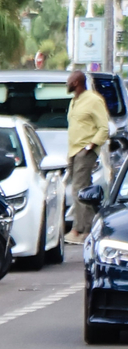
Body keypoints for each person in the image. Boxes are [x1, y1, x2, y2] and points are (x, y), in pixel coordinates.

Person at [65, 69, 106, 242]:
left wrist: (91, 146)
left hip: (84, 150)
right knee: (81, 191)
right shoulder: (74, 101)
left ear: (76, 82)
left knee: (80, 190)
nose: (67, 83)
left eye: (69, 80)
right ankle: (85, 229)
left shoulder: (93, 100)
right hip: (73, 150)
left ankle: (82, 230)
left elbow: (103, 127)